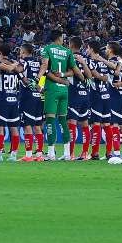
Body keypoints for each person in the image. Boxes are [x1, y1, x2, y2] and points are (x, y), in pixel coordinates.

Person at [40, 30, 77, 160]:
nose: (63, 39)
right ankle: (67, 153)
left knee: (50, 120)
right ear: (59, 38)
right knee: (63, 120)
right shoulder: (67, 52)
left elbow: (45, 66)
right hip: (64, 91)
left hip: (52, 89)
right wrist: (62, 76)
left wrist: (38, 80)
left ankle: (51, 153)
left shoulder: (47, 49)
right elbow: (73, 72)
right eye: (62, 37)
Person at [0, 43, 24, 162]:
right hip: (14, 99)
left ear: (0, 52)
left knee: (0, 128)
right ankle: (14, 155)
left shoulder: (0, 64)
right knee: (14, 128)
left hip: (2, 99)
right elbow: (20, 72)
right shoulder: (15, 65)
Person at [84, 38, 113, 161]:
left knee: (96, 124)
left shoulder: (90, 61)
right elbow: (106, 77)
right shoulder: (103, 62)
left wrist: (99, 77)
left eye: (87, 48)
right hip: (106, 95)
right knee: (107, 124)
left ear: (91, 49)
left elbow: (93, 75)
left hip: (96, 95)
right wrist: (103, 78)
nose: (86, 50)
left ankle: (95, 153)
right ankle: (109, 152)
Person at [65, 36, 92, 161]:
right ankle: (85, 153)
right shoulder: (86, 59)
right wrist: (83, 63)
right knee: (85, 124)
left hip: (74, 93)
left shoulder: (68, 57)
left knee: (72, 123)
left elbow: (69, 74)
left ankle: (70, 154)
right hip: (85, 94)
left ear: (70, 45)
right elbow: (90, 77)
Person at [18, 43, 46, 161]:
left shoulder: (24, 62)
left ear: (24, 52)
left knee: (27, 125)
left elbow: (18, 70)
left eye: (20, 51)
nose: (19, 53)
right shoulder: (38, 63)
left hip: (27, 96)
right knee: (38, 126)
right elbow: (45, 68)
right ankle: (39, 154)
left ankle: (29, 155)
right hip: (38, 96)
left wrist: (19, 74)